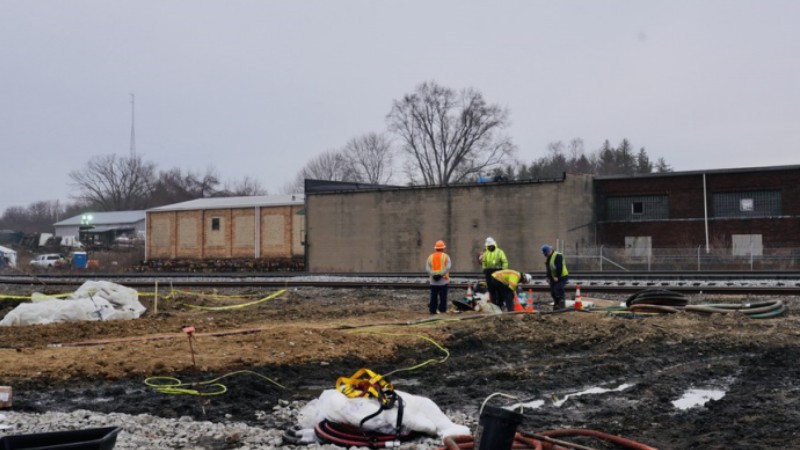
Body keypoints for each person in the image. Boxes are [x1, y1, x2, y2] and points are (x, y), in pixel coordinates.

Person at [479, 237, 508, 308]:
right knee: (491, 289)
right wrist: (484, 269)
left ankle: (499, 304)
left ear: (494, 244)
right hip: (489, 272)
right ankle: (494, 304)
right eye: (489, 246)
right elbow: (484, 262)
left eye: (491, 246)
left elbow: (505, 262)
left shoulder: (499, 252)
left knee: (499, 288)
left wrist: (503, 270)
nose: (490, 247)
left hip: (498, 271)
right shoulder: (486, 253)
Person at [426, 240, 451, 314]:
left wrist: (434, 275)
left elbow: (427, 268)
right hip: (443, 280)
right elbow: (448, 267)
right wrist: (440, 275)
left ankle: (432, 310)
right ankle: (442, 310)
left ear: (435, 248)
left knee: (433, 296)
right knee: (443, 297)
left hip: (433, 281)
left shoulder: (430, 257)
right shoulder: (445, 256)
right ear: (443, 248)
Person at [542, 244, 569, 310]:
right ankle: (556, 304)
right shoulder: (549, 258)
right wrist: (547, 276)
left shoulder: (558, 255)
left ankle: (561, 306)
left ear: (549, 251)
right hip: (553, 277)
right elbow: (548, 268)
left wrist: (557, 277)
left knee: (558, 290)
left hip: (561, 276)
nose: (545, 256)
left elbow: (560, 267)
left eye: (545, 254)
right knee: (553, 292)